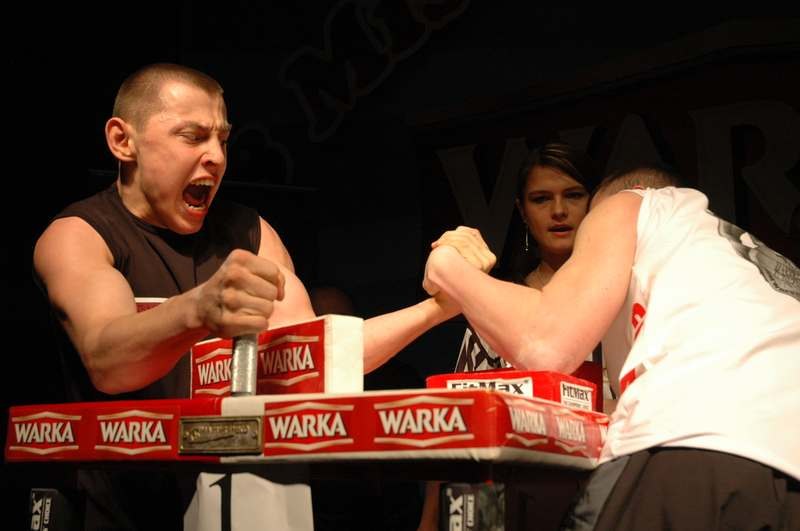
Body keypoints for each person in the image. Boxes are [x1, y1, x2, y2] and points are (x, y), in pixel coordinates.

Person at [32, 63, 489, 530]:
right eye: (192, 137)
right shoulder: (80, 235)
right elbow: (108, 362)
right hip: (118, 515)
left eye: (223, 140)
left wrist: (442, 305)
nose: (216, 157)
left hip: (234, 512)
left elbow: (319, 361)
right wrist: (199, 309)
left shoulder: (249, 232)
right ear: (121, 141)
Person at [422, 164, 800, 529]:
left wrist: (446, 264)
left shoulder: (630, 203)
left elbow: (545, 345)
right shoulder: (743, 270)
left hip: (694, 444)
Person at [419, 142, 601, 530]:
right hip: (509, 502)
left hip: (608, 495)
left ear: (596, 204)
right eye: (541, 199)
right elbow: (458, 426)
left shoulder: (621, 297)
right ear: (521, 210)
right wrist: (429, 522)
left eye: (573, 195)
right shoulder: (495, 305)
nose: (558, 210)